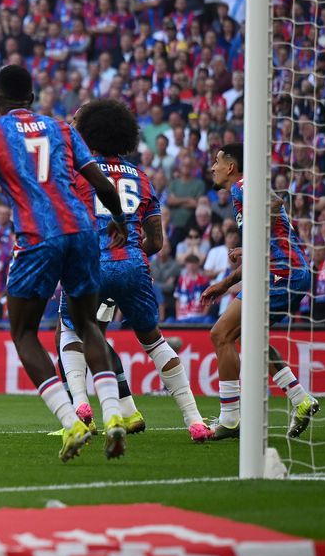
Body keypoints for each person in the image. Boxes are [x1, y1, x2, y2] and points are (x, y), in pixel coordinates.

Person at [0, 65, 131, 462]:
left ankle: (71, 421)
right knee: (87, 323)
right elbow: (102, 185)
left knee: (23, 332)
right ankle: (113, 415)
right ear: (32, 97)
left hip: (37, 237)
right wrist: (120, 221)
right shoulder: (64, 128)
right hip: (83, 231)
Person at [56, 99, 214, 443]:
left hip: (91, 265)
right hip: (133, 267)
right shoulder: (142, 178)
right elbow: (156, 241)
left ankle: (81, 409)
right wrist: (126, 255)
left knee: (69, 330)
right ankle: (195, 421)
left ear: (89, 133)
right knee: (154, 342)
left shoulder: (76, 172)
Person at [199, 143, 319, 440]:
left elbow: (275, 202)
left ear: (231, 166)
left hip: (282, 274)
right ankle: (300, 398)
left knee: (220, 335)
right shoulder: (241, 194)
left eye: (217, 161)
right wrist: (224, 284)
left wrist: (252, 229)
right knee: (251, 339)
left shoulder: (242, 186)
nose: (212, 167)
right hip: (287, 273)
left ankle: (229, 419)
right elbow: (260, 253)